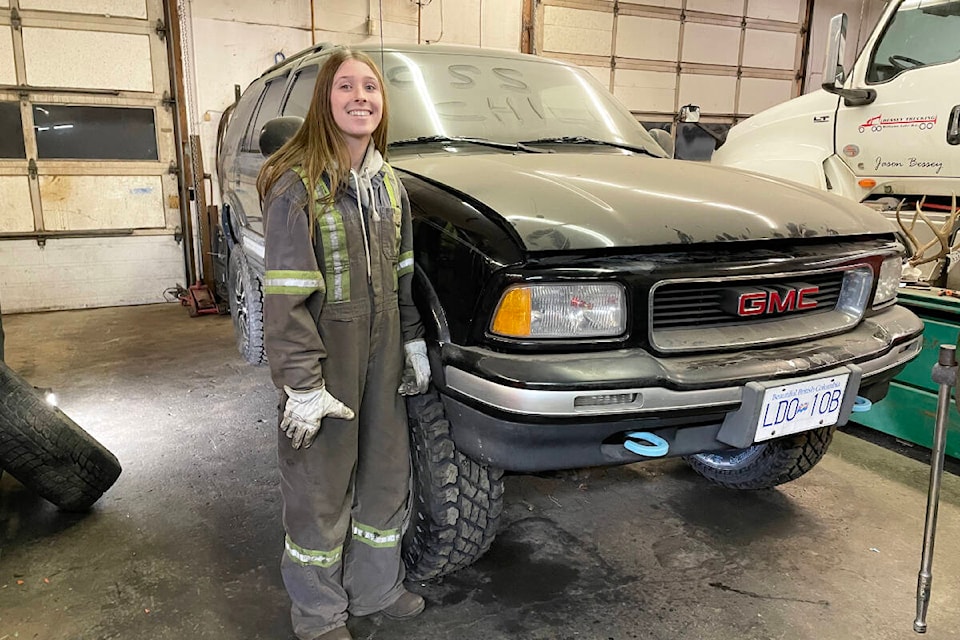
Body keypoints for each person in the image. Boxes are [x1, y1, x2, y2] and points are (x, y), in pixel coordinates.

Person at [256, 47, 431, 640]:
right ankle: (318, 615)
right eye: (346, 87)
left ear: (383, 105)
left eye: (371, 88)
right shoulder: (297, 185)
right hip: (326, 357)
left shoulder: (390, 186)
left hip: (382, 357)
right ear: (324, 101)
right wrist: (301, 385)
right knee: (319, 490)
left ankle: (375, 590)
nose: (361, 97)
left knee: (385, 475)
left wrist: (411, 342)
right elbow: (285, 295)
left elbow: (403, 273)